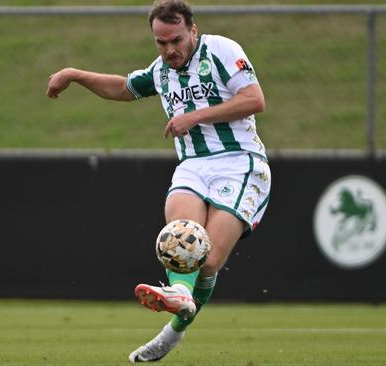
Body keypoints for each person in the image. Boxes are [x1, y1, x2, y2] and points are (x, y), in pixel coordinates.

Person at [46, 0, 271, 362]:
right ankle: (181, 298)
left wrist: (195, 117)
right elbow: (122, 87)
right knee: (180, 235)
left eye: (176, 40)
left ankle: (174, 332)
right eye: (161, 43)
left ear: (193, 31)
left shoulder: (222, 51)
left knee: (209, 262)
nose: (169, 50)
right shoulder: (162, 71)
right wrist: (75, 74)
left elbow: (254, 99)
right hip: (193, 166)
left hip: (240, 164)